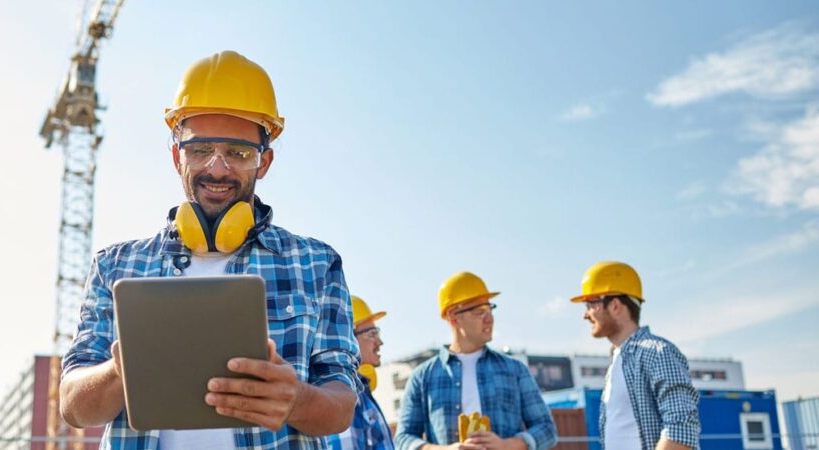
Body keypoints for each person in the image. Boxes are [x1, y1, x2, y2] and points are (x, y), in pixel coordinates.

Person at [58, 50, 362, 450]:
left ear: (264, 162)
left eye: (237, 153)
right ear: (175, 155)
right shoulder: (115, 266)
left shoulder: (316, 263)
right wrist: (120, 369)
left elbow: (341, 406)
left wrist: (297, 400)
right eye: (200, 150)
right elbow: (74, 407)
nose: (217, 169)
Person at [395, 272, 558, 450]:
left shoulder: (515, 370)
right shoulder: (422, 377)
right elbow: (403, 439)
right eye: (480, 312)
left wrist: (507, 445)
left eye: (490, 310)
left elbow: (547, 430)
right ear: (453, 317)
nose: (489, 319)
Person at [571, 261, 700, 450]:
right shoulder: (617, 361)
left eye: (591, 303)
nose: (585, 314)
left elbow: (681, 430)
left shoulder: (657, 353)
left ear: (615, 305)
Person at [329, 296, 394, 450]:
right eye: (372, 334)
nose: (379, 342)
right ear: (349, 338)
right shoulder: (347, 392)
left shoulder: (361, 392)